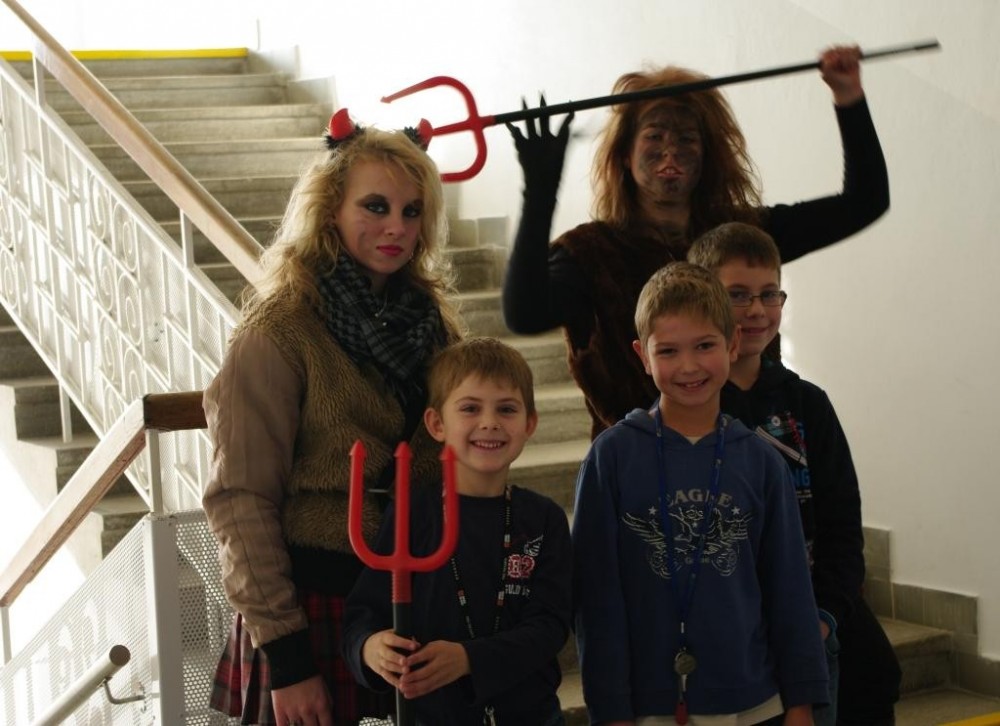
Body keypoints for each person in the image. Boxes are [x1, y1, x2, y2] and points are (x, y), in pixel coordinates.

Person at [202, 113, 463, 726]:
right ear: (329, 211)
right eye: (375, 206)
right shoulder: (278, 330)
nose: (396, 227)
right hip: (312, 608)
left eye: (412, 211)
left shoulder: (435, 328)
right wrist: (289, 660)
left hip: (417, 599)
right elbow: (241, 500)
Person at [503, 46, 889, 438]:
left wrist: (848, 96)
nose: (670, 150)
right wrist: (539, 192)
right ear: (624, 155)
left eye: (687, 139)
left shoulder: (743, 233)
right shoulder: (590, 253)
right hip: (639, 461)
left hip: (751, 451)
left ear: (708, 156)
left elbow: (864, 203)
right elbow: (525, 314)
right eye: (654, 136)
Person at [573, 262, 828, 725]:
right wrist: (610, 711)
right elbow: (597, 602)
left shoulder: (761, 461)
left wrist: (801, 702)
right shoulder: (611, 459)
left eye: (705, 346)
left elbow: (790, 590)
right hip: (649, 706)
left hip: (756, 701)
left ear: (732, 344)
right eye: (668, 351)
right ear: (643, 356)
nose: (688, 366)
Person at [687, 223, 901, 726]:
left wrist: (825, 616)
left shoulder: (809, 404)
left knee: (876, 676)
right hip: (730, 619)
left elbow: (842, 523)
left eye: (769, 294)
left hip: (812, 608)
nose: (757, 310)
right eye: (738, 295)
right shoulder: (689, 408)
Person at [342, 337, 573, 725]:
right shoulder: (413, 513)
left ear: (530, 423)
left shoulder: (543, 519)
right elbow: (362, 613)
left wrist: (469, 659)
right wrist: (370, 648)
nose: (489, 422)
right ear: (437, 424)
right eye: (470, 408)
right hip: (433, 716)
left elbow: (550, 626)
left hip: (530, 715)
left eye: (506, 409)